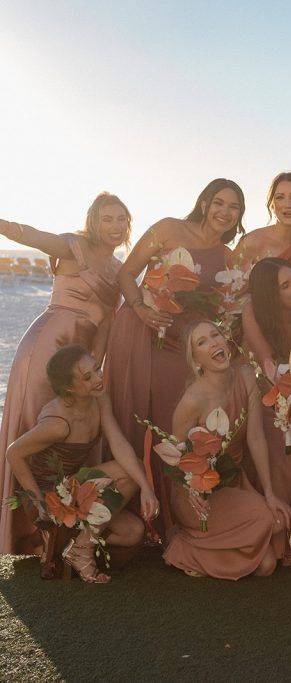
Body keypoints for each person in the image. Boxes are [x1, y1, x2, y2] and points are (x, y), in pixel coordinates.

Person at [104, 178, 244, 538]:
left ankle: (168, 519)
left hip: (179, 346)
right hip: (139, 329)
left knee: (170, 425)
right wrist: (140, 309)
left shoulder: (227, 258)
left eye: (234, 207)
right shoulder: (168, 229)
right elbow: (125, 274)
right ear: (204, 202)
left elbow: (219, 310)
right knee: (129, 413)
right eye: (220, 203)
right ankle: (119, 510)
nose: (225, 212)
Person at [0, 193, 131, 555]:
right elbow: (33, 236)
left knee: (76, 428)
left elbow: (107, 325)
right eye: (107, 219)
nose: (115, 226)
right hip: (47, 346)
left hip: (83, 359)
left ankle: (68, 522)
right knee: (37, 426)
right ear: (93, 221)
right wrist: (5, 225)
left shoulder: (121, 271)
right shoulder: (74, 246)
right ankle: (29, 530)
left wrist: (97, 368)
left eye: (121, 219)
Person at [3, 345, 158, 582]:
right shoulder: (58, 423)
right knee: (127, 472)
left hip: (75, 489)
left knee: (132, 532)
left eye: (97, 369)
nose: (98, 379)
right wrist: (38, 502)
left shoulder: (99, 398)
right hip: (50, 497)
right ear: (69, 388)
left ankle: (65, 545)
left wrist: (146, 486)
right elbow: (14, 453)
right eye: (88, 377)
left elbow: (118, 443)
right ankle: (77, 549)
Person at [161, 321, 291, 579]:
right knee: (269, 523)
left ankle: (195, 544)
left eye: (215, 335)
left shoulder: (245, 377)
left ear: (225, 340)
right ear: (196, 360)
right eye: (202, 342)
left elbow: (255, 438)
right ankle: (183, 546)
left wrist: (268, 494)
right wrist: (191, 490)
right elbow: (174, 458)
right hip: (196, 497)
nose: (213, 343)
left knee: (266, 565)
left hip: (233, 483)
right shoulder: (192, 401)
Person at [240, 258, 291, 561]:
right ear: (271, 294)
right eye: (285, 285)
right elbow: (267, 362)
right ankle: (273, 540)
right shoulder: (254, 312)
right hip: (263, 396)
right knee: (289, 458)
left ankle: (280, 535)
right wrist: (290, 397)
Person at [233, 172, 291, 271]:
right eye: (280, 197)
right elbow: (227, 281)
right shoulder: (252, 241)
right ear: (272, 204)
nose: (288, 205)